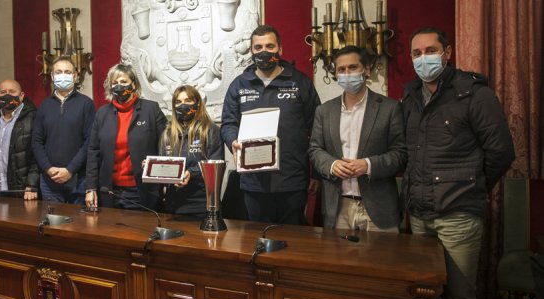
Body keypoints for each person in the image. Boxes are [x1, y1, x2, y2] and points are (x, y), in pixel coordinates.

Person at [402, 27, 515, 299]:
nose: (423, 58)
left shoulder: (474, 94)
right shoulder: (411, 97)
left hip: (459, 216)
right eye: (417, 53)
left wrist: (471, 184)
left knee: (460, 295)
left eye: (430, 51)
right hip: (419, 214)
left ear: (447, 53)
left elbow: (501, 152)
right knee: (425, 294)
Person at [220, 24, 321, 225]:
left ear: (280, 50)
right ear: (251, 51)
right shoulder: (239, 85)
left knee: (293, 241)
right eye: (258, 48)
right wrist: (233, 141)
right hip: (254, 181)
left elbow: (317, 129)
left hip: (292, 179)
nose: (264, 52)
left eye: (269, 46)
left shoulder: (300, 82)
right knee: (260, 238)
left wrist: (316, 173)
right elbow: (228, 124)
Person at [309, 46, 407, 232]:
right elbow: (315, 150)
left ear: (366, 70)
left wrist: (368, 165)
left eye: (352, 67)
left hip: (379, 208)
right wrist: (331, 165)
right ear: (335, 74)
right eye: (341, 69)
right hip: (337, 208)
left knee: (382, 260)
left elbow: (400, 154)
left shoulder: (390, 108)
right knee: (338, 261)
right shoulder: (324, 111)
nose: (347, 74)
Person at [85, 64, 166, 210]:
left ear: (133, 84)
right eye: (114, 83)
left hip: (141, 190)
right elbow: (93, 152)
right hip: (109, 191)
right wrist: (90, 188)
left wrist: (159, 172)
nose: (119, 86)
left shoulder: (151, 109)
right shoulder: (102, 113)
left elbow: (167, 146)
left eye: (123, 82)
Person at [32, 57, 95, 203]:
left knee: (80, 224)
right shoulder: (44, 105)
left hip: (78, 179)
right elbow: (36, 141)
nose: (63, 75)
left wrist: (70, 170)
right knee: (52, 223)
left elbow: (90, 141)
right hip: (49, 180)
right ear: (52, 76)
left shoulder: (86, 104)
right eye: (58, 72)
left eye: (67, 72)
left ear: (75, 76)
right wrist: (48, 168)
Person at [159, 85, 224, 217]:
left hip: (201, 204)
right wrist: (151, 167)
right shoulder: (167, 133)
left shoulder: (211, 130)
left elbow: (215, 163)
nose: (183, 105)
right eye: (178, 102)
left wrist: (191, 173)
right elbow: (163, 165)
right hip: (173, 205)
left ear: (198, 103)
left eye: (188, 100)